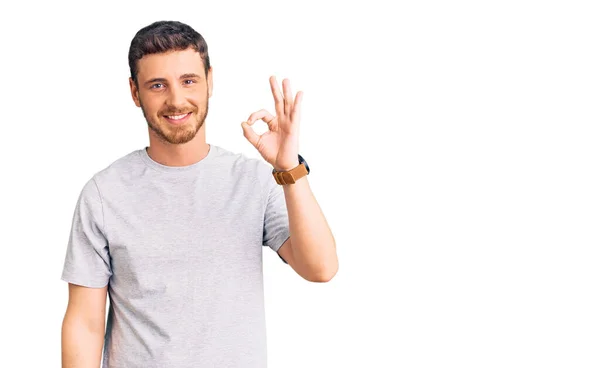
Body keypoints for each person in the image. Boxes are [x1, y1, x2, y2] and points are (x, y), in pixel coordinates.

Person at [60, 20, 338, 368]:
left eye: (188, 81)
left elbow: (321, 267)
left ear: (210, 81)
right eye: (157, 85)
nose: (176, 100)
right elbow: (85, 324)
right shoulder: (104, 194)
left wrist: (290, 170)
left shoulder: (255, 180)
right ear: (135, 92)